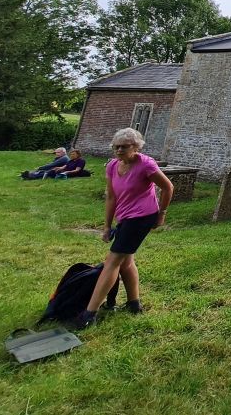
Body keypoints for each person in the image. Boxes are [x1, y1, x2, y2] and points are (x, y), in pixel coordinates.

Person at [74, 128, 173, 329]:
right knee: (126, 261)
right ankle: (134, 304)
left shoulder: (146, 164)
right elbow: (111, 197)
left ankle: (89, 313)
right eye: (116, 147)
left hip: (143, 217)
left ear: (136, 147)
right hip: (125, 217)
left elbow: (168, 187)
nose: (119, 150)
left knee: (112, 261)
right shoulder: (112, 166)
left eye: (124, 147)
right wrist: (107, 226)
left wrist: (161, 214)